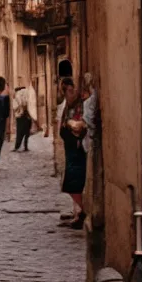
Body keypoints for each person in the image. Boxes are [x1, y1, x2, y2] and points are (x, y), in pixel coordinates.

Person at [59, 77, 89, 229]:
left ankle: (82, 210)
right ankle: (79, 211)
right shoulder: (69, 105)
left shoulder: (79, 106)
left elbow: (80, 126)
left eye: (69, 90)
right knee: (70, 181)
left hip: (77, 148)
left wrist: (70, 124)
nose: (67, 94)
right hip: (70, 148)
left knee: (73, 182)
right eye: (65, 91)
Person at [9, 78, 38, 152]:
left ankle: (18, 147)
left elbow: (16, 107)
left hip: (22, 117)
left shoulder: (18, 96)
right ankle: (24, 146)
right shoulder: (24, 95)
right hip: (26, 116)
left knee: (21, 132)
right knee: (26, 133)